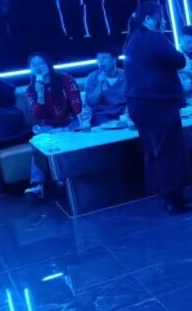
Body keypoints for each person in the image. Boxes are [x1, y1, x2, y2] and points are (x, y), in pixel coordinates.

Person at [124, 1, 192, 213]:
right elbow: (179, 60)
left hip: (139, 104)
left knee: (153, 151)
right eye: (160, 17)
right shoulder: (153, 37)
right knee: (170, 151)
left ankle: (162, 194)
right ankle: (174, 199)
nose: (164, 22)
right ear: (149, 18)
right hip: (158, 103)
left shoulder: (133, 39)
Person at [24, 53, 82, 198]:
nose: (38, 67)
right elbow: (39, 114)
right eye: (34, 65)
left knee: (78, 133)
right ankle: (38, 185)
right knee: (38, 143)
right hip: (48, 126)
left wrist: (79, 121)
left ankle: (70, 178)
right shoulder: (30, 89)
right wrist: (40, 94)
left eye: (41, 63)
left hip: (70, 121)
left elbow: (76, 103)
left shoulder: (66, 80)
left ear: (48, 64)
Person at [83, 46, 127, 126]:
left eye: (104, 58)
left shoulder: (126, 75)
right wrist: (100, 84)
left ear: (114, 59)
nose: (101, 61)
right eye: (98, 58)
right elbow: (90, 102)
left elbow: (133, 99)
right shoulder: (92, 77)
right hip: (101, 118)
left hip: (123, 115)